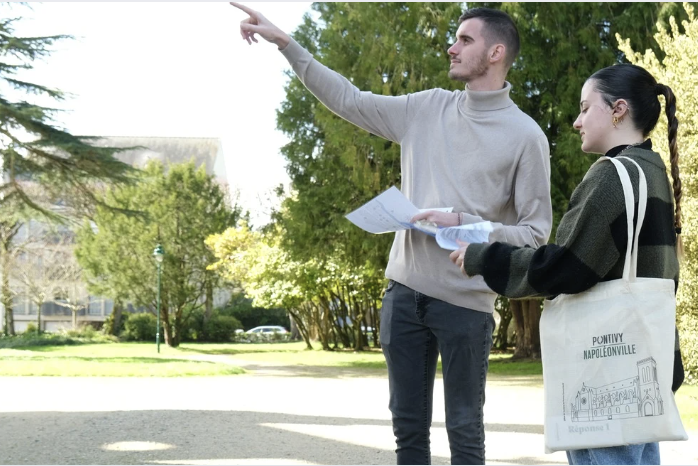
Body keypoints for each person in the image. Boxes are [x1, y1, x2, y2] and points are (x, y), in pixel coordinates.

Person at [232, 3, 552, 464]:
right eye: (454, 38)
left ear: (496, 52)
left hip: (467, 304)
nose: (452, 47)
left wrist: (464, 223)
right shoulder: (427, 108)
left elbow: (535, 235)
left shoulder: (526, 136)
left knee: (465, 433)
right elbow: (350, 100)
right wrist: (286, 43)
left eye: (465, 40)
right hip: (403, 295)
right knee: (407, 432)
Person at [450, 63, 685, 465]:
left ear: (618, 110)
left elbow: (567, 268)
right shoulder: (652, 170)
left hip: (607, 369)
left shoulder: (613, 177)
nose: (577, 122)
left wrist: (484, 257)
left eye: (585, 108)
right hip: (644, 359)